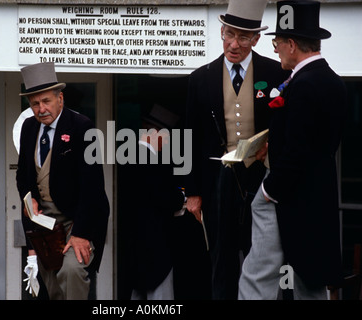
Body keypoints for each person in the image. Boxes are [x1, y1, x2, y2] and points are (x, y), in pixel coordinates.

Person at [238, 0, 346, 300]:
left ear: (291, 44)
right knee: (310, 277)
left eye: (277, 42)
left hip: (288, 191)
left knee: (258, 272)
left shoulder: (303, 85)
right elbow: (320, 143)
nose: (274, 49)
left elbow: (299, 150)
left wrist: (269, 190)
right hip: (318, 194)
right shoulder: (334, 83)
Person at [184, 0, 291, 299]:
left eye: (244, 37)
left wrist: (270, 151)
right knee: (221, 256)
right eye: (229, 34)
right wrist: (192, 191)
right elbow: (190, 137)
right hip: (218, 178)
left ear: (256, 39)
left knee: (265, 250)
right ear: (221, 32)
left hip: (262, 175)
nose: (234, 44)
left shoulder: (276, 73)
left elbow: (287, 127)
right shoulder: (200, 78)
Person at [16, 62, 110, 300]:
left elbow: (93, 187)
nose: (41, 108)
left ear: (61, 98)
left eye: (46, 101)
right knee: (52, 283)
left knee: (72, 271)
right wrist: (30, 201)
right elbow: (23, 176)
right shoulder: (28, 127)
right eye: (35, 103)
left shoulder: (81, 127)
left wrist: (81, 233)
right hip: (44, 224)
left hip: (77, 221)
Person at [122, 104, 186, 300]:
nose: (167, 142)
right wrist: (182, 198)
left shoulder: (129, 154)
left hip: (134, 245)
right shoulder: (150, 159)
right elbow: (162, 196)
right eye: (166, 136)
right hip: (154, 244)